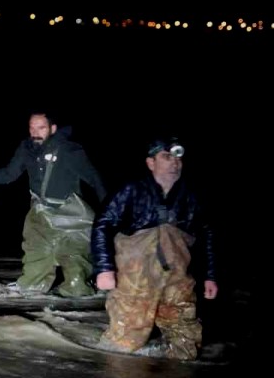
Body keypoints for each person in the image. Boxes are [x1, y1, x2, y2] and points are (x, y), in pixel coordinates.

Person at [91, 137, 218, 361]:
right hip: (135, 280)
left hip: (177, 280)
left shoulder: (191, 195)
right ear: (151, 163)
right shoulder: (132, 190)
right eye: (166, 157)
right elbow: (103, 223)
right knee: (123, 346)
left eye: (178, 158)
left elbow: (207, 234)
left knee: (185, 346)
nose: (174, 163)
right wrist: (104, 268)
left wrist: (210, 276)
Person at [0, 111, 106, 297]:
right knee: (35, 255)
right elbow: (8, 174)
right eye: (32, 127)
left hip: (71, 216)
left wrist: (108, 212)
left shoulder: (69, 150)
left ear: (52, 129)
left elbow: (95, 179)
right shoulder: (26, 148)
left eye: (41, 127)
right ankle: (32, 289)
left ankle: (82, 291)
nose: (35, 132)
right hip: (40, 213)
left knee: (75, 269)